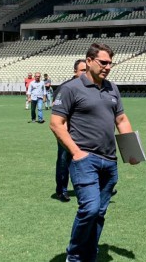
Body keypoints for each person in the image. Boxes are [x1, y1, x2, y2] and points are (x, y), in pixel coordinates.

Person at [50, 43, 137, 262]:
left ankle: (89, 254)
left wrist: (131, 151)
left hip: (110, 161)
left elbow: (121, 120)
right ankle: (75, 256)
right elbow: (56, 124)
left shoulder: (112, 88)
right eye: (103, 62)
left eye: (110, 63)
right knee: (90, 209)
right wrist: (76, 153)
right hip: (85, 159)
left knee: (99, 213)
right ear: (89, 61)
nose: (108, 67)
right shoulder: (71, 88)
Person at [54, 59, 87, 202]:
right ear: (75, 71)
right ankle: (61, 190)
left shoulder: (91, 87)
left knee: (89, 160)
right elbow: (58, 115)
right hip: (67, 132)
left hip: (85, 132)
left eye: (87, 70)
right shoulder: (65, 88)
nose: (85, 73)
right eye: (82, 70)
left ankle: (98, 187)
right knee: (63, 161)